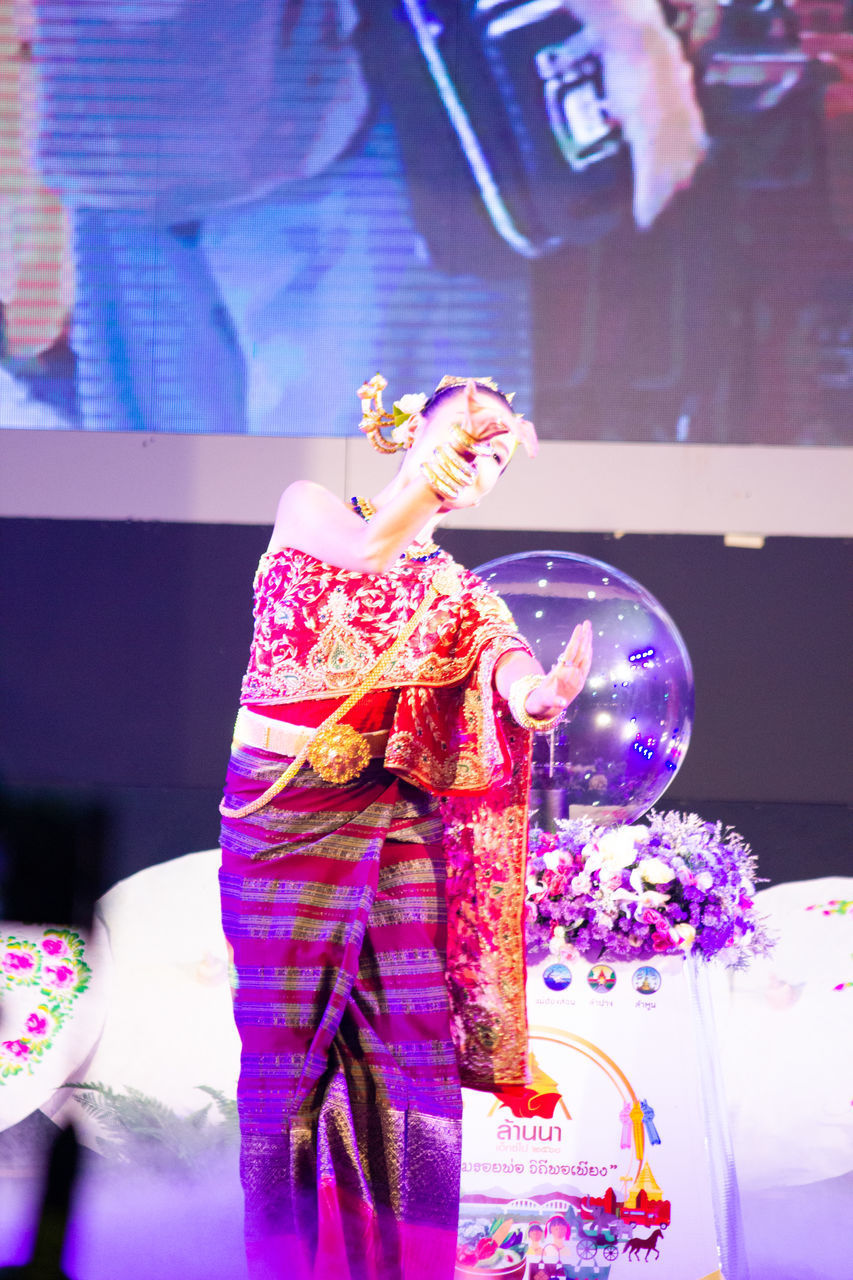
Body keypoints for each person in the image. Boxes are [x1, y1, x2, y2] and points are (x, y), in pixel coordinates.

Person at [218, 375, 593, 1280]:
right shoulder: (308, 508)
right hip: (280, 823)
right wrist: (434, 477)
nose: (480, 458)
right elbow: (365, 551)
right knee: (284, 1057)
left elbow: (509, 672)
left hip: (394, 827)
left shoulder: (461, 593)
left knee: (409, 1047)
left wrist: (540, 699)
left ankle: (406, 1265)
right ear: (404, 430)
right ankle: (284, 1263)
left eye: (496, 453)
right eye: (466, 435)